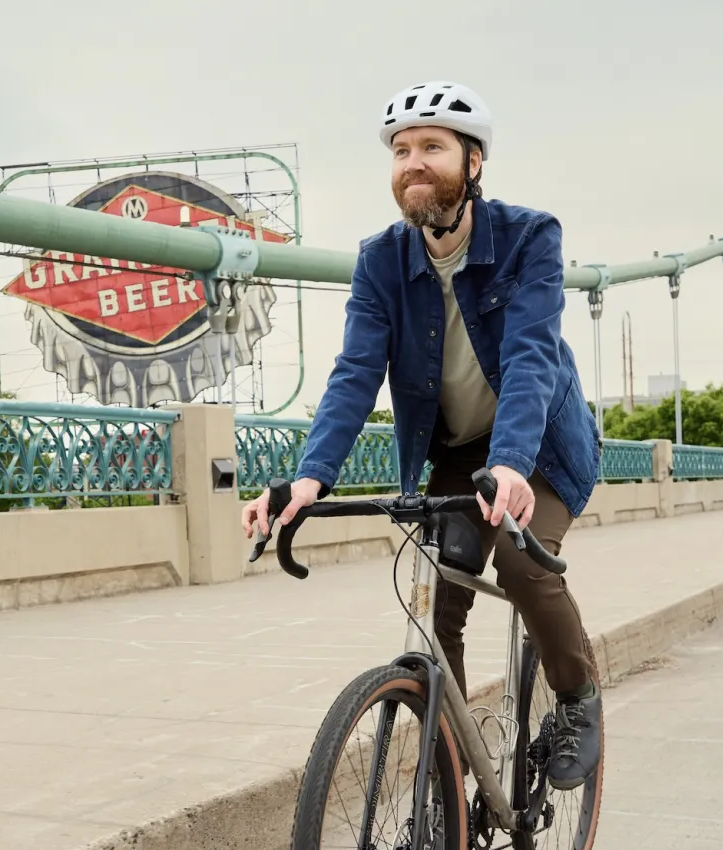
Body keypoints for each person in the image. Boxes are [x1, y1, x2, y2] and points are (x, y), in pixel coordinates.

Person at [239, 82, 605, 789]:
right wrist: (309, 479)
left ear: (473, 164)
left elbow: (530, 357)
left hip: (542, 452)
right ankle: (454, 778)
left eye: (432, 147)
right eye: (401, 150)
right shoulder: (380, 261)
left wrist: (512, 465)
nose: (413, 162)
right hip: (456, 455)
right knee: (436, 604)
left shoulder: (530, 237)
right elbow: (354, 375)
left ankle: (577, 698)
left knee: (524, 564)